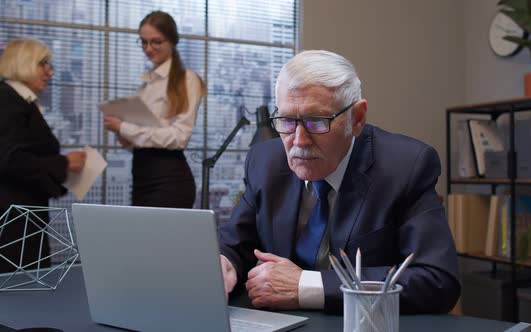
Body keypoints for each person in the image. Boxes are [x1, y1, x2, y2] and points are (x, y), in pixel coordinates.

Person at [218, 50, 460, 314]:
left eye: (317, 121)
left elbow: (437, 281)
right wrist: (224, 263)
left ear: (357, 119)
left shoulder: (406, 165)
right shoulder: (264, 162)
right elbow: (236, 243)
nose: (299, 141)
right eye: (287, 120)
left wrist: (306, 285)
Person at [0, 39, 86, 272]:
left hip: (23, 215)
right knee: (20, 293)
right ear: (23, 63)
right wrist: (65, 163)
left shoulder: (21, 102)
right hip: (14, 222)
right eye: (44, 64)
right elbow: (10, 160)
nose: (50, 72)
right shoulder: (7, 100)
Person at [103, 11, 205, 208]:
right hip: (142, 175)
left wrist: (125, 128)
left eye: (156, 42)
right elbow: (146, 135)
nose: (148, 48)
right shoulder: (147, 83)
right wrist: (127, 138)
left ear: (172, 41)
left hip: (168, 179)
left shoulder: (187, 79)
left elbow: (179, 137)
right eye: (143, 42)